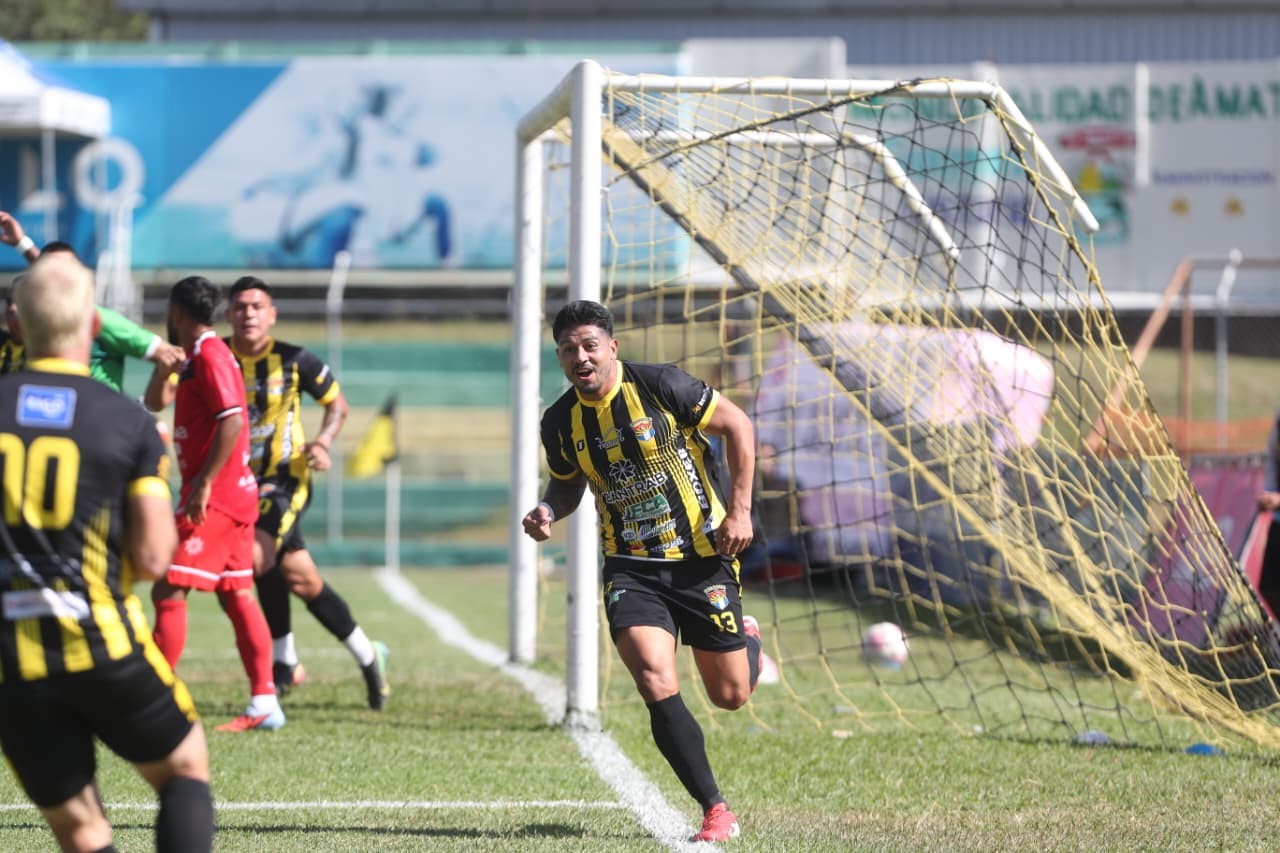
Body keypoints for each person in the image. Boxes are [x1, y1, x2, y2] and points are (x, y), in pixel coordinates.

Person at [521, 299, 768, 843]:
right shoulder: (559, 422)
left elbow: (738, 424)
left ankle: (748, 641)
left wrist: (741, 511)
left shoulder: (661, 386)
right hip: (631, 567)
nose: (581, 358)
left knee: (730, 695)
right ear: (560, 358)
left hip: (702, 559)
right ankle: (715, 808)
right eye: (568, 350)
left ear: (612, 347)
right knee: (654, 675)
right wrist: (547, 509)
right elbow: (567, 483)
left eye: (590, 346)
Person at [0, 253, 213, 852]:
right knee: (184, 768)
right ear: (93, 326)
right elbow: (153, 557)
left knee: (82, 828)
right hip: (101, 642)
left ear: (19, 323)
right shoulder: (124, 421)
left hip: (12, 662)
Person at [225, 275, 389, 709]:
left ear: (272, 315)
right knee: (302, 578)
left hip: (285, 478)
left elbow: (338, 405)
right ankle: (368, 655)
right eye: (240, 307)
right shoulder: (217, 356)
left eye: (257, 307)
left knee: (258, 556)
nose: (248, 314)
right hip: (237, 483)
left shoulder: (295, 360)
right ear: (228, 314)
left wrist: (323, 442)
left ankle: (282, 664)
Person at [144, 275, 285, 732]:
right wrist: (164, 366)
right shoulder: (192, 356)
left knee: (168, 589)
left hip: (215, 498)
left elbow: (232, 419)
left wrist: (204, 482)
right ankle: (265, 701)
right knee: (236, 594)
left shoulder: (211, 355)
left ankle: (152, 703)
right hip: (229, 495)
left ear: (176, 312)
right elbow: (154, 402)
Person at [0, 210, 185, 389]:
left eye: (67, 269)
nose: (58, 275)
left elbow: (171, 355)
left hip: (99, 409)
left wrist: (151, 400)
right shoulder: (41, 318)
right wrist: (22, 244)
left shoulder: (104, 320)